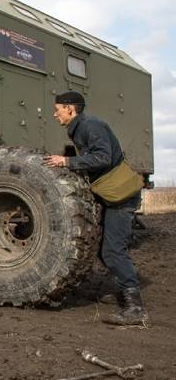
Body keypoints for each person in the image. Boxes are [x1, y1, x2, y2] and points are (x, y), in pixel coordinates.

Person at [43, 91, 147, 326]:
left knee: (113, 250)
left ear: (71, 109)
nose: (54, 113)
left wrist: (66, 162)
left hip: (121, 197)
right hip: (112, 195)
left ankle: (135, 307)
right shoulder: (81, 128)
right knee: (104, 249)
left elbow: (102, 157)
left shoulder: (90, 126)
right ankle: (123, 292)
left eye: (58, 108)